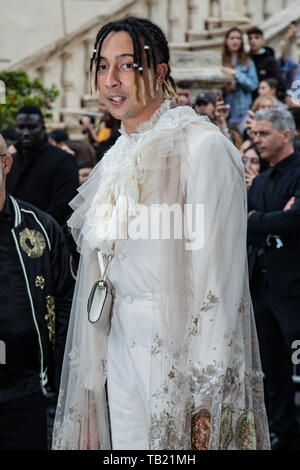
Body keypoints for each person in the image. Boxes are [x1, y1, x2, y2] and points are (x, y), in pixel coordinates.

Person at [52, 16, 269, 451]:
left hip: (179, 359)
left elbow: (218, 283)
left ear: (159, 72)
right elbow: (100, 272)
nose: (111, 79)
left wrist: (207, 396)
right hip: (118, 349)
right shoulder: (114, 157)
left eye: (127, 65)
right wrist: (92, 383)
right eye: (102, 65)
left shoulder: (202, 147)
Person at [0, 135, 74, 449]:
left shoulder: (40, 229)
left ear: (5, 163)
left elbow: (67, 301)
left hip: (25, 391)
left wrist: (58, 377)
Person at [248, 108, 300, 450]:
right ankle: (284, 433)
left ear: (286, 135)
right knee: (274, 370)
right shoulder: (263, 181)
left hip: (295, 290)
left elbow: (296, 222)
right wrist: (272, 223)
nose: (257, 140)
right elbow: (245, 224)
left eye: (264, 134)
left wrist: (260, 221)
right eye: (256, 134)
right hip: (262, 289)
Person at [6, 105, 79, 226]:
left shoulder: (63, 160)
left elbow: (63, 207)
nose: (25, 133)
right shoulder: (10, 162)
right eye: (21, 127)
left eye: (31, 127)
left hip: (48, 234)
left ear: (43, 128)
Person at [221, 27, 259, 133]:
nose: (235, 41)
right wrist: (226, 89)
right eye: (232, 38)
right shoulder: (221, 61)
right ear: (226, 41)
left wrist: (236, 74)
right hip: (227, 113)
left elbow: (253, 85)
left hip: (244, 112)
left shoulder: (247, 61)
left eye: (238, 38)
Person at [247, 26, 285, 99]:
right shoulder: (246, 60)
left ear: (262, 40)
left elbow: (280, 83)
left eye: (256, 37)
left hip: (268, 99)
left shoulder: (270, 60)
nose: (253, 41)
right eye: (250, 38)